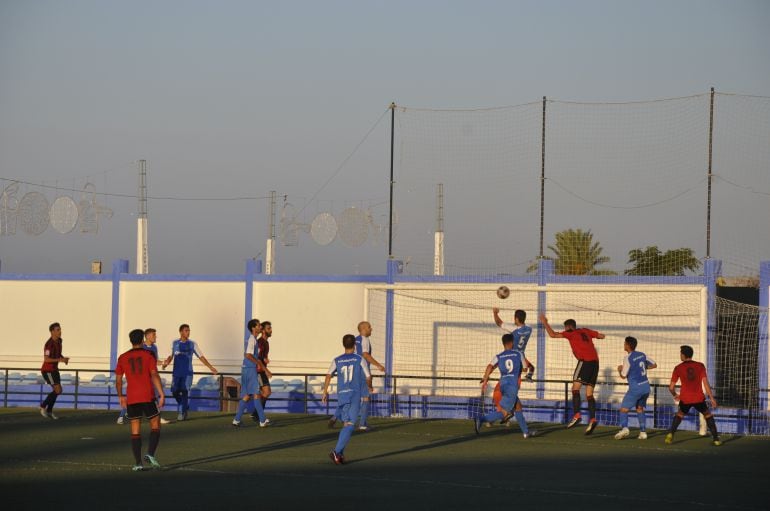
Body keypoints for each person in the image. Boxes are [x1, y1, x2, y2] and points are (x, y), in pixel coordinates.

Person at [539, 314, 606, 434]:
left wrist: (545, 322)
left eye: (565, 328)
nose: (564, 330)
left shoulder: (570, 333)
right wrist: (597, 337)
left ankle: (576, 415)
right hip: (595, 364)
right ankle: (592, 419)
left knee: (575, 389)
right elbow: (601, 336)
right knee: (589, 393)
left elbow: (553, 334)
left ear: (569, 327)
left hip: (585, 362)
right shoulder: (585, 330)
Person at [115, 329, 165, 471]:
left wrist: (120, 396)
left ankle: (137, 463)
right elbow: (154, 375)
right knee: (155, 425)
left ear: (131, 341)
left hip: (132, 397)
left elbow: (118, 381)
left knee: (135, 429)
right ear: (142, 340)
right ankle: (150, 454)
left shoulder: (122, 357)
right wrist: (161, 393)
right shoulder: (148, 355)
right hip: (147, 395)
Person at [322, 334, 373, 464]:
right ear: (355, 345)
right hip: (354, 395)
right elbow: (368, 376)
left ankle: (340, 455)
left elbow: (328, 375)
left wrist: (325, 392)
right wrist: (370, 386)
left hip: (342, 395)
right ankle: (336, 451)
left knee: (346, 424)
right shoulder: (359, 359)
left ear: (343, 344)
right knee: (350, 425)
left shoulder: (337, 360)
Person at [474, 334, 536, 438]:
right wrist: (520, 368)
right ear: (512, 343)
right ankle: (481, 419)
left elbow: (489, 366)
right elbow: (525, 369)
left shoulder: (499, 356)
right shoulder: (518, 354)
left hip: (503, 385)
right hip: (512, 386)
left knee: (518, 407)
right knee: (504, 413)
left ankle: (526, 432)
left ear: (503, 344)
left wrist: (485, 380)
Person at [328, 321, 385, 431]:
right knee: (366, 397)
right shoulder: (364, 339)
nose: (371, 329)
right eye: (369, 327)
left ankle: (335, 417)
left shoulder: (355, 339)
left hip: (352, 371)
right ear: (363, 329)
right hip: (361, 371)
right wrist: (378, 365)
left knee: (349, 396)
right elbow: (365, 354)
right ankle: (362, 423)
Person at [666, 345, 721, 446]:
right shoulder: (700, 366)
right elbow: (706, 383)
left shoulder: (678, 368)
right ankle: (716, 439)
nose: (680, 355)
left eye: (680, 353)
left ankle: (670, 434)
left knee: (679, 415)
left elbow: (671, 387)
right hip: (698, 398)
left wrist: (675, 395)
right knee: (708, 415)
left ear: (683, 355)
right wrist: (712, 398)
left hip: (685, 399)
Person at [161, 324, 218, 421]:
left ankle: (182, 413)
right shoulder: (174, 343)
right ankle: (183, 405)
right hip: (176, 372)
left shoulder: (193, 344)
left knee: (184, 392)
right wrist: (166, 363)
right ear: (181, 332)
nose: (188, 332)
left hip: (188, 373)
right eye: (186, 330)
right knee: (174, 391)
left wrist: (210, 367)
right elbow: (171, 356)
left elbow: (201, 357)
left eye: (189, 330)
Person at [117, 328, 170, 425]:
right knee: (136, 399)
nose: (155, 337)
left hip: (151, 377)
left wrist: (163, 364)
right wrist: (162, 363)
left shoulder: (154, 347)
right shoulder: (142, 348)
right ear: (148, 336)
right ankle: (122, 415)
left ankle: (157, 416)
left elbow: (153, 362)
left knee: (149, 397)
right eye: (154, 335)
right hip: (143, 378)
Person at [614, 336, 657, 440]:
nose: (624, 345)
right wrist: (641, 367)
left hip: (635, 388)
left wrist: (620, 369)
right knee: (639, 409)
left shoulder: (627, 358)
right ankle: (643, 432)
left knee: (624, 409)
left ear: (628, 345)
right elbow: (654, 365)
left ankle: (624, 428)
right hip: (646, 387)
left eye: (624, 343)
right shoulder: (642, 354)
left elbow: (624, 375)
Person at [233, 319, 271, 427]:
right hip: (250, 369)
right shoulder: (252, 340)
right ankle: (262, 420)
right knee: (256, 394)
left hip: (245, 369)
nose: (260, 328)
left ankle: (236, 420)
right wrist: (258, 363)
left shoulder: (252, 339)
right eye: (259, 326)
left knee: (246, 396)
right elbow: (248, 355)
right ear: (254, 328)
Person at [493, 308, 535, 381]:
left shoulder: (514, 329)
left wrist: (495, 313)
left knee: (507, 371)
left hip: (513, 355)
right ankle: (529, 376)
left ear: (516, 319)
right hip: (521, 354)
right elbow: (524, 326)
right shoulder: (529, 329)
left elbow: (499, 323)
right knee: (530, 368)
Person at [40, 322, 69, 420]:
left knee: (58, 391)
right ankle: (43, 406)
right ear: (52, 332)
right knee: (58, 390)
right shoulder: (49, 344)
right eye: (58, 330)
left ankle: (49, 411)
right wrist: (59, 360)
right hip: (47, 370)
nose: (60, 331)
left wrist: (63, 358)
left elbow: (58, 354)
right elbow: (46, 359)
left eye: (60, 329)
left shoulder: (59, 341)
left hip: (54, 370)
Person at [250, 320, 274, 421]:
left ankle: (257, 414)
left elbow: (261, 357)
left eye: (271, 328)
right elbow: (257, 359)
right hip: (258, 371)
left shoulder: (266, 343)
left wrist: (265, 359)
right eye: (268, 329)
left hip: (261, 371)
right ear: (263, 331)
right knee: (266, 392)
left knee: (263, 393)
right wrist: (266, 370)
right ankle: (258, 415)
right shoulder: (260, 342)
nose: (271, 330)